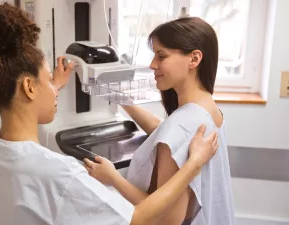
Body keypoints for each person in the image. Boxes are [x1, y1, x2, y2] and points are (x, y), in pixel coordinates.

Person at [0, 3, 219, 225]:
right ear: (28, 88)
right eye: (49, 79)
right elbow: (140, 219)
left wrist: (52, 86)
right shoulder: (61, 175)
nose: (55, 85)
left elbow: (22, 109)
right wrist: (194, 164)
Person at [84, 17, 235, 225]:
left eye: (161, 56)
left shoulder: (181, 125)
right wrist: (123, 100)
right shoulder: (208, 108)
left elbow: (168, 219)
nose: (152, 64)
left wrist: (113, 178)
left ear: (194, 59)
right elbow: (164, 130)